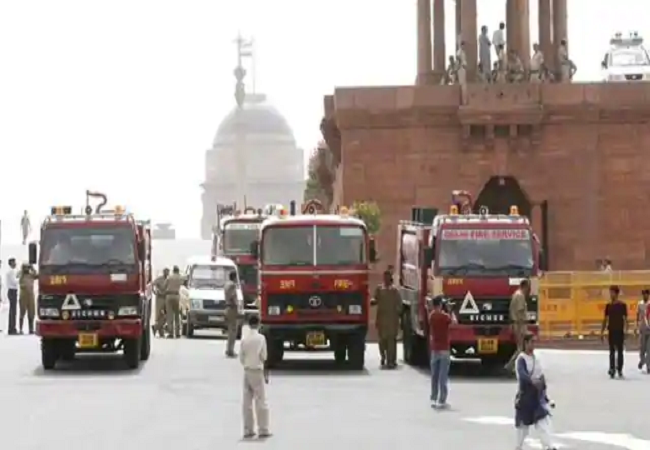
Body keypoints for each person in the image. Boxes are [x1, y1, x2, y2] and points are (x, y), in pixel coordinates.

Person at [515, 333, 557, 450]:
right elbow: (523, 376)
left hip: (536, 397)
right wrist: (533, 382)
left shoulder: (536, 358)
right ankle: (518, 447)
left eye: (535, 342)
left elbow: (541, 375)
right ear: (526, 343)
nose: (534, 344)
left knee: (543, 422)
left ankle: (548, 446)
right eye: (531, 342)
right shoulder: (521, 359)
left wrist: (544, 393)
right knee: (522, 428)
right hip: (525, 398)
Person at [239, 314, 271, 439]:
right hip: (257, 370)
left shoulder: (244, 339)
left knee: (247, 401)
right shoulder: (261, 338)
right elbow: (264, 356)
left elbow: (241, 357)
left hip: (247, 370)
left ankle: (248, 429)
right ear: (258, 324)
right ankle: (263, 429)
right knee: (261, 400)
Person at [429, 295, 456, 408]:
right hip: (444, 349)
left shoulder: (431, 316)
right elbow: (454, 322)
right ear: (440, 304)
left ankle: (434, 397)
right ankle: (442, 399)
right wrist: (451, 311)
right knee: (443, 376)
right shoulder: (444, 316)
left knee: (434, 375)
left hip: (435, 349)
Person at [371, 270, 402, 369]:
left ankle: (391, 361)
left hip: (392, 319)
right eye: (384, 277)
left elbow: (399, 304)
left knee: (391, 341)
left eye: (387, 277)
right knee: (382, 341)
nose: (386, 279)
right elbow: (374, 298)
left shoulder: (394, 290)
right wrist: (373, 301)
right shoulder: (379, 289)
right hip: (381, 319)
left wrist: (399, 313)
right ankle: (383, 356)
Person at [601, 285, 627, 378]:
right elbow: (605, 319)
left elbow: (625, 319)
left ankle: (619, 369)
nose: (611, 294)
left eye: (612, 292)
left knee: (620, 351)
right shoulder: (608, 306)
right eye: (610, 292)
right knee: (611, 351)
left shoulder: (622, 305)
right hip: (611, 330)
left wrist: (626, 330)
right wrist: (602, 331)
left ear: (616, 293)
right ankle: (612, 369)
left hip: (619, 330)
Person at [505, 279, 530, 372]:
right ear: (525, 286)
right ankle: (510, 365)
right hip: (519, 325)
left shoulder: (516, 294)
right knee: (521, 347)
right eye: (528, 287)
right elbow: (520, 311)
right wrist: (522, 326)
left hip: (517, 324)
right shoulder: (520, 296)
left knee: (521, 347)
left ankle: (517, 366)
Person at [162, 266, 184, 339]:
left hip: (169, 296)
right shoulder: (180, 277)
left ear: (173, 270)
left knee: (170, 315)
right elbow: (184, 283)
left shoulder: (169, 277)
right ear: (178, 271)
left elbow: (164, 286)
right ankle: (177, 333)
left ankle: (171, 333)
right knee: (177, 315)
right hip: (176, 296)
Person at [18, 263, 38, 334]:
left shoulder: (31, 275)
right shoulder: (21, 275)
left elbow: (37, 276)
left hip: (31, 295)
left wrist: (32, 268)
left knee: (31, 313)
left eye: (27, 268)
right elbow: (18, 279)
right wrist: (22, 271)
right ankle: (20, 329)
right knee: (22, 312)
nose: (27, 269)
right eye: (25, 268)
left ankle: (31, 329)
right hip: (23, 296)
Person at [225, 270, 240, 357]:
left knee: (230, 330)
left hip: (227, 307)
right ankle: (230, 350)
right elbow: (233, 297)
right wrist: (237, 306)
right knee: (233, 331)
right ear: (234, 277)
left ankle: (229, 349)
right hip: (232, 308)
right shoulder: (232, 285)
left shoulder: (226, 284)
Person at [152, 268, 169, 337]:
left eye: (167, 272)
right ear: (163, 272)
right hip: (159, 298)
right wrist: (154, 292)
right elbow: (152, 284)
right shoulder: (159, 279)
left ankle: (155, 327)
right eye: (165, 272)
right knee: (159, 316)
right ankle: (161, 332)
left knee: (166, 315)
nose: (166, 273)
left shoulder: (169, 280)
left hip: (166, 298)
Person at [5, 258, 19, 335]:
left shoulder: (10, 271)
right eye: (14, 262)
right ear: (11, 263)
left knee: (12, 311)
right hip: (12, 291)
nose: (15, 263)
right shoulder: (11, 271)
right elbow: (14, 282)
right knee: (13, 311)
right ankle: (12, 328)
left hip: (11, 291)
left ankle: (12, 328)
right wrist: (19, 278)